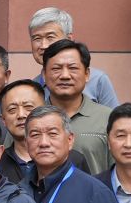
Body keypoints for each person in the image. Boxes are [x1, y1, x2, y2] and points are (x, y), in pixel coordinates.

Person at [39, 40, 113, 174]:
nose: (65, 76)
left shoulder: (108, 118)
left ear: (87, 74)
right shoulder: (32, 118)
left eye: (73, 68)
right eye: (56, 69)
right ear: (44, 74)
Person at [28, 8, 119, 107]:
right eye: (37, 38)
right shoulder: (32, 87)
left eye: (50, 37)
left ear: (69, 39)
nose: (43, 45)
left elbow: (113, 116)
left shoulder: (97, 80)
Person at [0, 80, 41, 182]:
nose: (21, 115)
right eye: (12, 109)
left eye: (28, 107)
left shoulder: (69, 159)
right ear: (3, 120)